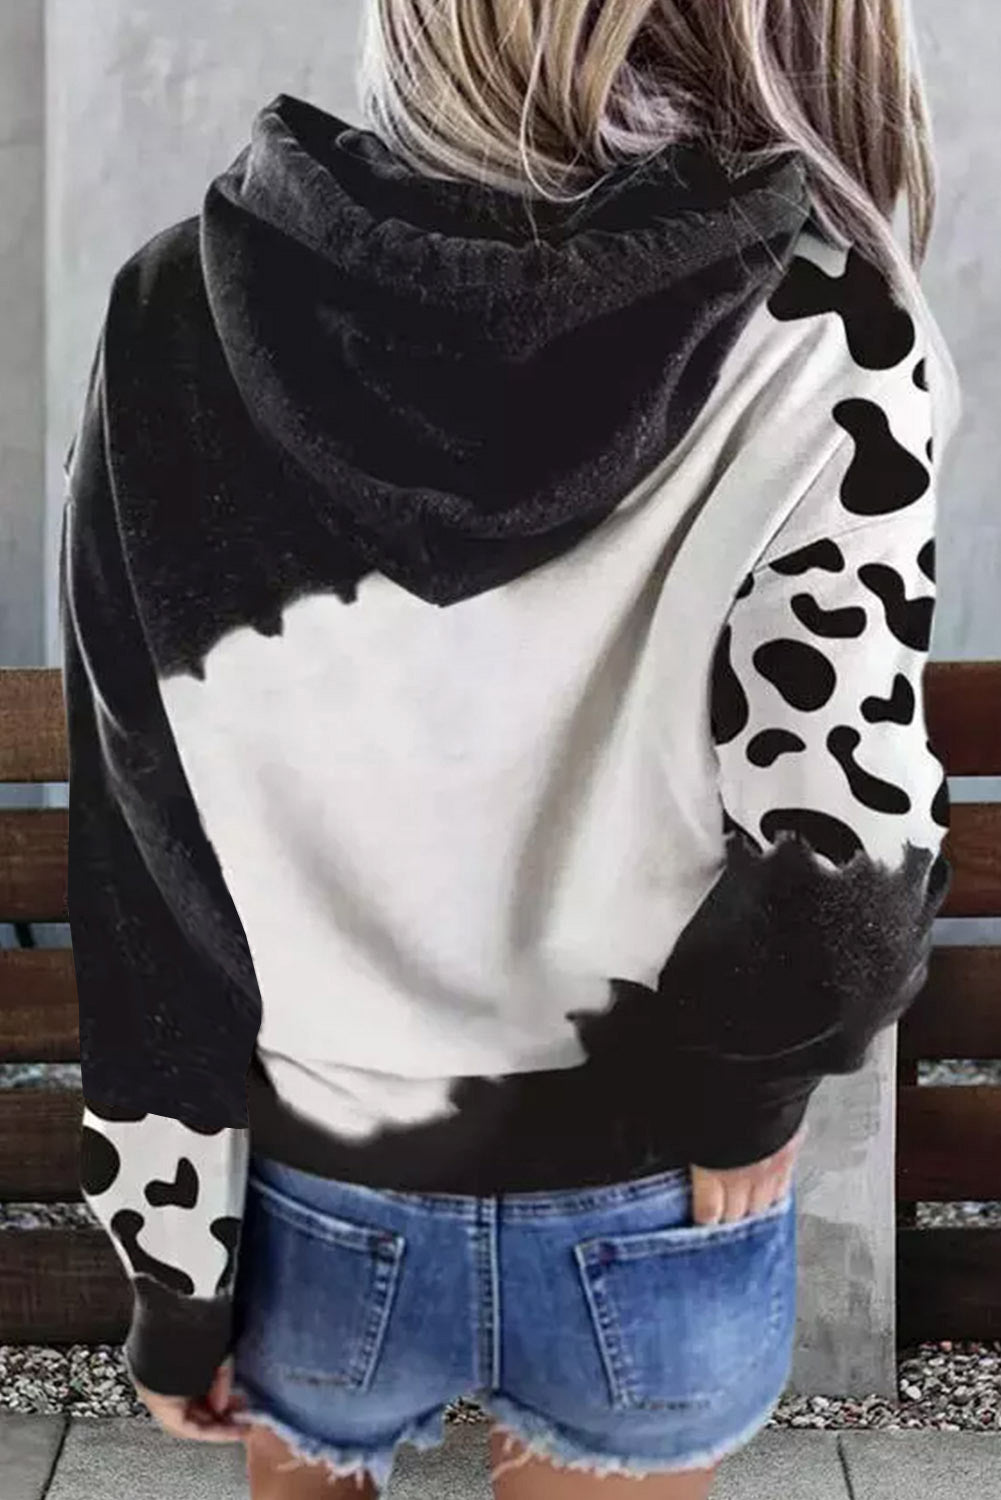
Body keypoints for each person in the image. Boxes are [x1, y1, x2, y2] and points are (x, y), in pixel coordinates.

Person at [57, 1, 961, 1496]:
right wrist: (740, 1099)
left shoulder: (173, 306)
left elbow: (142, 844)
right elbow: (845, 841)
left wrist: (174, 1274)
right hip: (650, 1193)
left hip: (310, 1185)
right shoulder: (830, 330)